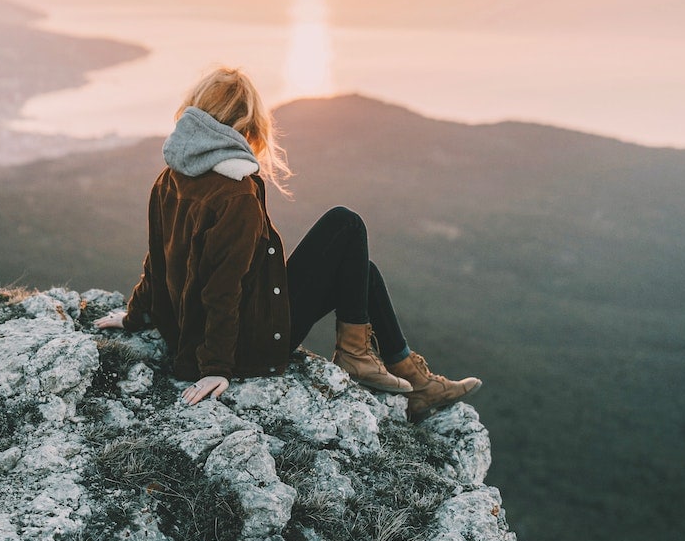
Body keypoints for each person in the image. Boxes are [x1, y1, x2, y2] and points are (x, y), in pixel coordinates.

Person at [95, 67, 481, 422]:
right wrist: (216, 366)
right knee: (345, 224)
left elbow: (158, 260)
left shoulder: (169, 177)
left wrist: (136, 314)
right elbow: (221, 288)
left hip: (201, 330)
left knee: (360, 271)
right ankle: (356, 356)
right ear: (246, 125)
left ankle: (414, 381)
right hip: (249, 342)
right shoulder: (235, 193)